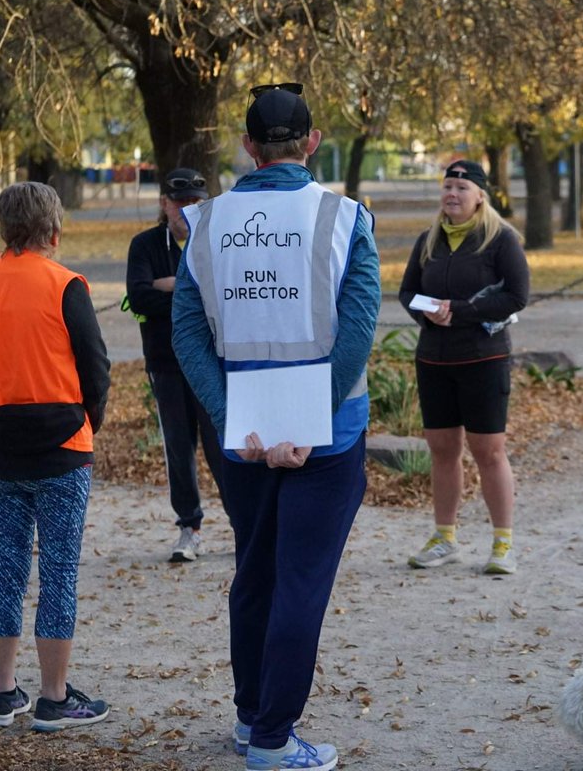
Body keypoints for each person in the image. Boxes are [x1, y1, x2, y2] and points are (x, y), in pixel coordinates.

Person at [172, 82, 380, 770]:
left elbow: (187, 336)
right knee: (300, 582)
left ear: (248, 147)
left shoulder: (204, 221)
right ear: (312, 143)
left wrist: (236, 420)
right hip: (326, 434)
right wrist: (308, 422)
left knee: (255, 574)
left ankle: (249, 716)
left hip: (247, 436)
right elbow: (356, 330)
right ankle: (272, 738)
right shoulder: (344, 216)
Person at [0, 181, 112, 731]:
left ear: (5, 228)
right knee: (58, 572)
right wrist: (87, 421)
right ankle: (54, 696)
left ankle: (3, 693)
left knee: (7, 567)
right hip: (61, 448)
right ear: (54, 229)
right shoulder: (66, 284)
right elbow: (95, 367)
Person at [398, 159, 530, 574]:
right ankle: (445, 537)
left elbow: (516, 296)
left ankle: (503, 543)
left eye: (461, 187)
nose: (451, 194)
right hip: (434, 358)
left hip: (484, 358)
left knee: (488, 452)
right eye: (447, 187)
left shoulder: (500, 239)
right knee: (442, 450)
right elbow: (407, 292)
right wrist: (428, 313)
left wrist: (460, 311)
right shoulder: (428, 240)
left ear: (479, 196)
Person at [124, 167, 227, 562]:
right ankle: (189, 526)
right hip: (166, 362)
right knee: (178, 446)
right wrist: (191, 294)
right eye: (179, 202)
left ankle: (243, 522)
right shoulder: (145, 245)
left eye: (195, 203)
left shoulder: (221, 241)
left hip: (213, 359)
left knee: (223, 443)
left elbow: (226, 298)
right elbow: (139, 299)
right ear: (164, 204)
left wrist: (170, 285)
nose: (186, 210)